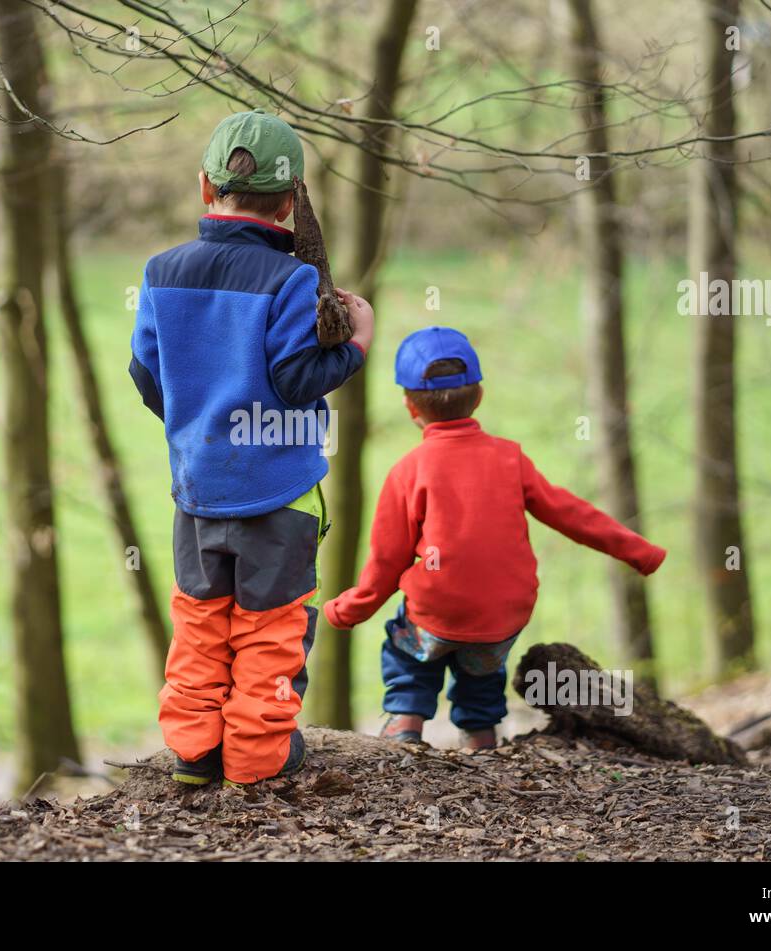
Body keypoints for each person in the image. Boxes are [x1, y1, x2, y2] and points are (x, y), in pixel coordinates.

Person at [129, 110, 374, 785]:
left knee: (201, 620)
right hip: (280, 494)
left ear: (206, 189)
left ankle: (194, 750)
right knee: (270, 627)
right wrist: (357, 341)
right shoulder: (292, 281)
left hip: (199, 489)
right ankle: (259, 751)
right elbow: (299, 380)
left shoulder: (161, 271)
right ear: (292, 199)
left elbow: (148, 376)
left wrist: (199, 422)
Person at [323, 327, 666, 748]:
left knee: (407, 648)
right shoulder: (510, 458)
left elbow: (387, 561)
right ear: (479, 396)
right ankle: (481, 736)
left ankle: (405, 724)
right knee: (482, 666)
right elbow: (572, 515)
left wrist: (350, 609)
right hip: (503, 614)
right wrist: (640, 551)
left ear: (410, 406)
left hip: (437, 609)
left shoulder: (409, 471)